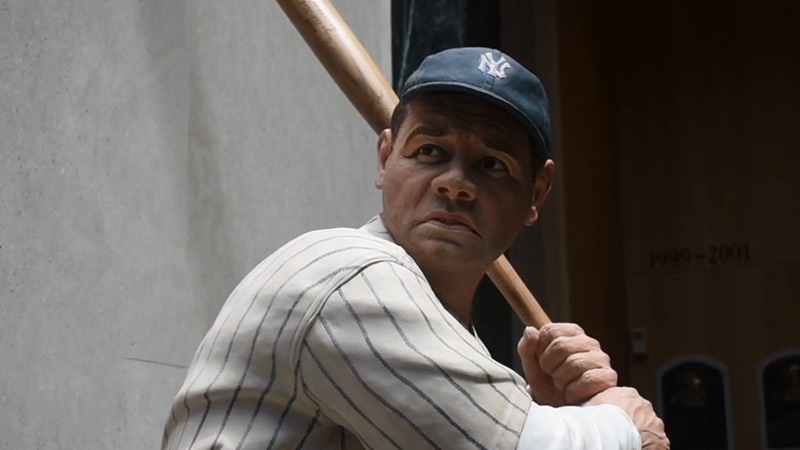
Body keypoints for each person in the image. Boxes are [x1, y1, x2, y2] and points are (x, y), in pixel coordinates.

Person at [161, 47, 669, 450]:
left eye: (492, 164)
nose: (455, 184)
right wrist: (622, 424)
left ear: (536, 195)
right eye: (430, 151)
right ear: (385, 159)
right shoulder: (349, 273)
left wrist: (548, 414)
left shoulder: (450, 333)